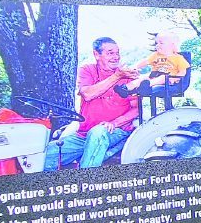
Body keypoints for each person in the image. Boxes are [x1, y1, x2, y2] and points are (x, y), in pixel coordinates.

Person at [43, 37, 139, 171]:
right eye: (110, 53)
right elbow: (87, 94)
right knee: (44, 156)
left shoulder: (128, 77)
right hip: (83, 135)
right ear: (96, 54)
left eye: (117, 53)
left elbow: (136, 110)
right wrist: (117, 76)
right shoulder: (87, 70)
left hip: (116, 131)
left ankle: (85, 183)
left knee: (98, 132)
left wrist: (114, 123)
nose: (116, 57)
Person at [115, 31, 190, 97]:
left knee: (162, 78)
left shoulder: (178, 58)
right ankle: (125, 88)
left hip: (168, 78)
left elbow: (183, 71)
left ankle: (145, 87)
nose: (157, 45)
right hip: (154, 75)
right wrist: (135, 67)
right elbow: (145, 61)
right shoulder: (155, 55)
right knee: (142, 77)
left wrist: (174, 79)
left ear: (172, 45)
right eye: (157, 43)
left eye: (161, 43)